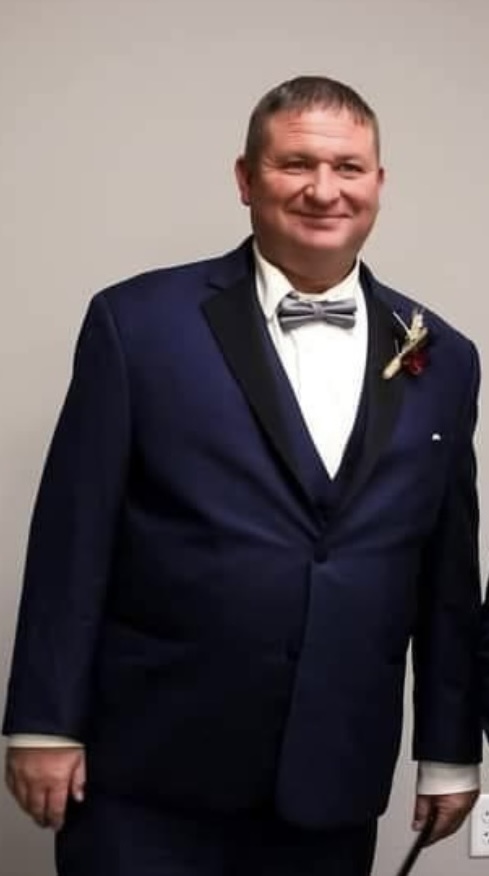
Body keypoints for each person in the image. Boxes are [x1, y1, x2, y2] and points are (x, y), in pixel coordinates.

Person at [3, 75, 482, 876]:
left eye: (347, 167)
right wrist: (44, 723)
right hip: (145, 769)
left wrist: (448, 751)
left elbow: (446, 573)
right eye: (296, 164)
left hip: (333, 775)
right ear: (245, 178)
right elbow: (73, 535)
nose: (323, 190)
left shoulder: (445, 356)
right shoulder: (136, 323)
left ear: (378, 182)